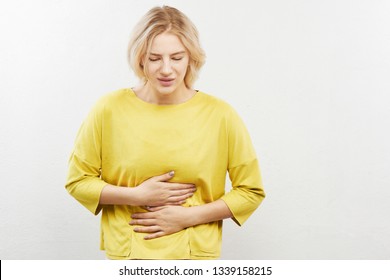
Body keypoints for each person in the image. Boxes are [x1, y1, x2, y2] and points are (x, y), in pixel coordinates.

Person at [65, 5, 265, 260]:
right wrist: (136, 195)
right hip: (128, 256)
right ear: (140, 58)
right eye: (154, 58)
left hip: (194, 257)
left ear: (192, 57)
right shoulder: (109, 109)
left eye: (177, 57)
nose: (166, 69)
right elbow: (78, 181)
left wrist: (188, 217)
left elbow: (250, 191)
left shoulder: (221, 115)